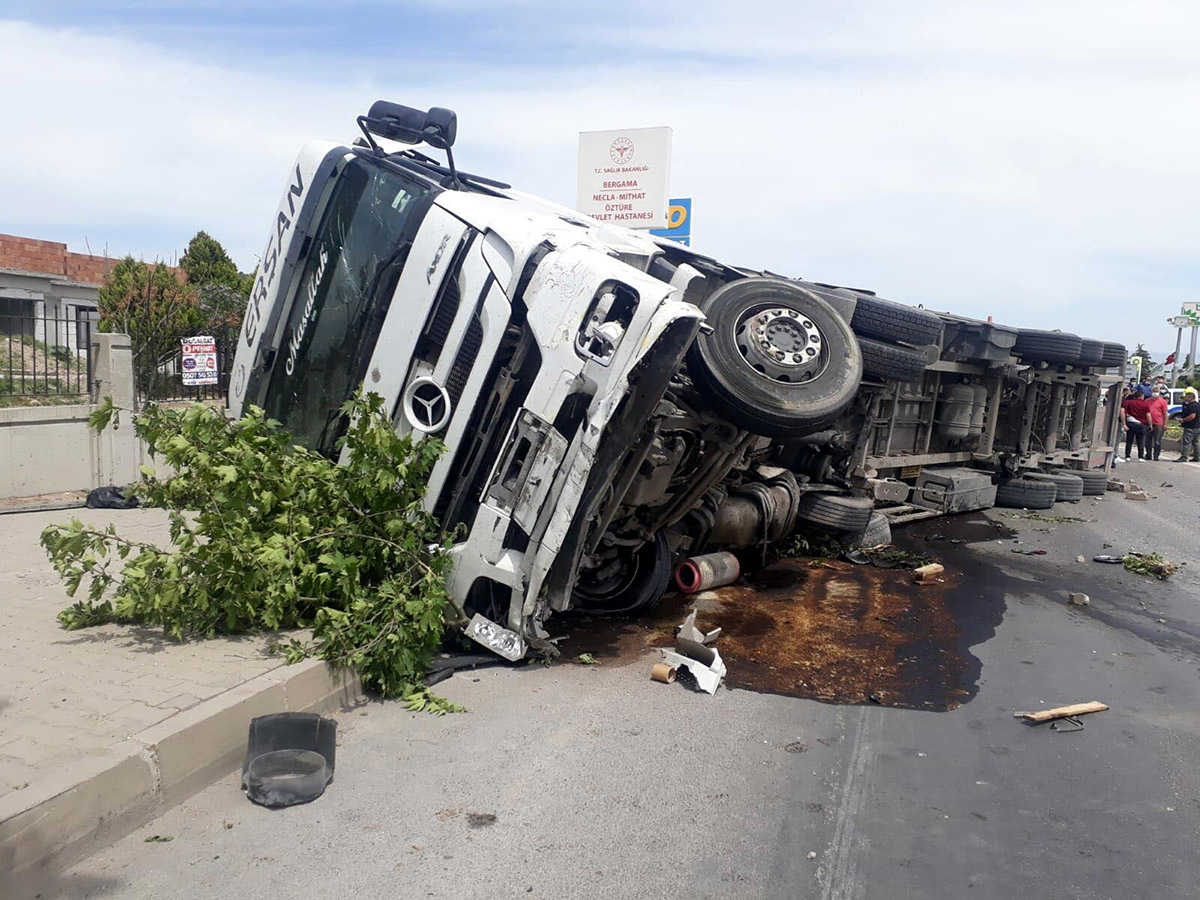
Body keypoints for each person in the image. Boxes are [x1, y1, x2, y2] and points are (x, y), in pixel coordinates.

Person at [1122, 385, 1152, 461]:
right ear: (1141, 396)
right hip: (1141, 424)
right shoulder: (1145, 404)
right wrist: (1150, 425)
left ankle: (1127, 456)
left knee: (1129, 440)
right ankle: (1140, 457)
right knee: (1140, 440)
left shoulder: (1129, 403)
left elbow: (1123, 410)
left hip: (1130, 423)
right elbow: (1148, 415)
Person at [1172, 387, 1200, 462]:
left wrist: (1183, 420)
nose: (1184, 398)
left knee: (1186, 442)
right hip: (1197, 427)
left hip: (1191, 427)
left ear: (1190, 397)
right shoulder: (1197, 404)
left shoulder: (1192, 406)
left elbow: (1192, 416)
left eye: (1186, 397)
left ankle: (1184, 457)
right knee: (1195, 442)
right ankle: (1197, 457)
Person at [1148, 386, 1169, 461]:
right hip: (1148, 423)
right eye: (1154, 391)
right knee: (1147, 440)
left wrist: (1165, 424)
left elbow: (1165, 413)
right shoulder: (1147, 401)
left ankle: (1156, 455)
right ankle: (1148, 454)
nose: (1155, 392)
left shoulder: (1162, 401)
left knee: (1157, 441)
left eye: (1156, 391)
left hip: (1158, 424)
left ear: (1159, 392)